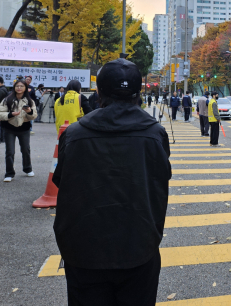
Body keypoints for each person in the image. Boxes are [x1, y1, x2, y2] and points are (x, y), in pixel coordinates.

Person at [52, 58, 171, 306]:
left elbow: (61, 181)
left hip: (83, 249)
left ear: (98, 92)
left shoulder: (73, 134)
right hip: (139, 245)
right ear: (139, 93)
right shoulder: (155, 133)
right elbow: (160, 179)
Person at [0, 79, 37, 182]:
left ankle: (28, 168)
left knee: (25, 149)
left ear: (25, 88)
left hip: (24, 129)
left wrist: (29, 112)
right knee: (10, 151)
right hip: (9, 128)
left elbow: (34, 116)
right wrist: (10, 114)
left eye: (21, 86)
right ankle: (9, 173)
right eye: (17, 86)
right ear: (14, 88)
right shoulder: (7, 99)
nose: (19, 88)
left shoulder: (29, 101)